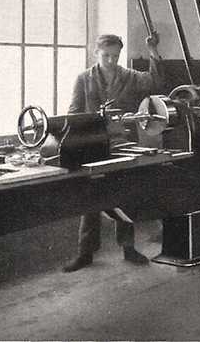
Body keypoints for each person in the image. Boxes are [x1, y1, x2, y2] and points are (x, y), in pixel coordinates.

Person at [63, 33, 164, 273]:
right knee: (90, 198)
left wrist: (152, 50)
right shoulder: (84, 78)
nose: (111, 60)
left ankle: (128, 248)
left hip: (123, 143)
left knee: (124, 196)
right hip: (93, 145)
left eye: (116, 56)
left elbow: (155, 82)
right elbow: (74, 112)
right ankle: (85, 252)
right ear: (96, 53)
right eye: (106, 55)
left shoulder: (129, 76)